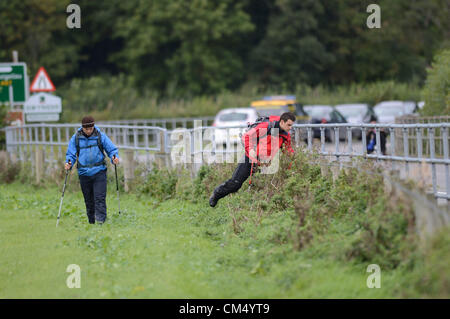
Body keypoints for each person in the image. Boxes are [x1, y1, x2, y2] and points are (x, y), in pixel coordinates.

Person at [209, 112, 296, 207]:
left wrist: (293, 165)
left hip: (265, 163)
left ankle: (256, 209)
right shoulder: (266, 126)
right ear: (282, 122)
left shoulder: (285, 135)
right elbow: (247, 136)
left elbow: (288, 153)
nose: (290, 128)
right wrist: (250, 150)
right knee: (235, 184)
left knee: (259, 187)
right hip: (250, 158)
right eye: (289, 125)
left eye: (292, 125)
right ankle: (216, 194)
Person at [65, 116, 120, 224]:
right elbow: (71, 154)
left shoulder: (100, 136)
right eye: (87, 129)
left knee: (99, 198)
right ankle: (91, 222)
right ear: (82, 128)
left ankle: (101, 222)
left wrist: (114, 157)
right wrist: (69, 163)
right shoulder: (75, 138)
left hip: (99, 171)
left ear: (94, 126)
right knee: (89, 201)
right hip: (83, 173)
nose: (89, 131)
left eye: (91, 128)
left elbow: (112, 149)